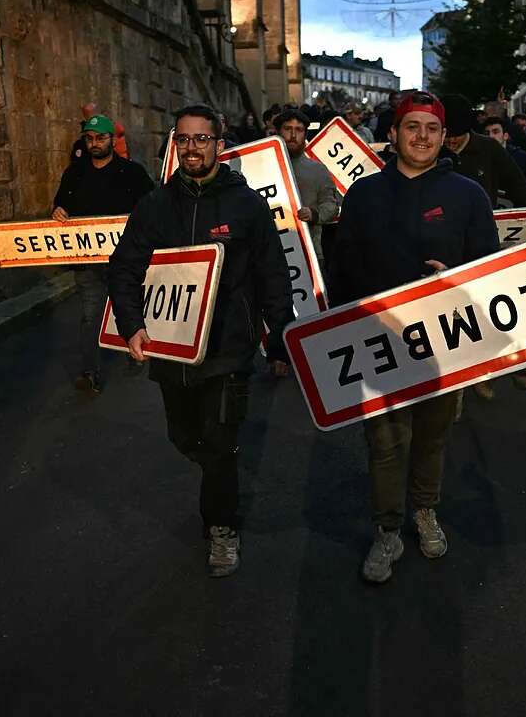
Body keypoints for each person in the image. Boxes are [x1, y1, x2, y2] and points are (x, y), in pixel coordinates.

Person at [108, 103, 293, 578]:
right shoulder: (154, 204)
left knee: (220, 443)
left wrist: (279, 340)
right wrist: (132, 325)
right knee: (185, 436)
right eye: (184, 139)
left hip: (229, 349)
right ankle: (213, 474)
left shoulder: (246, 204)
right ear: (176, 144)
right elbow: (125, 267)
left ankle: (222, 529)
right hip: (172, 350)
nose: (192, 148)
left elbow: (273, 273)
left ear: (220, 144)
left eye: (202, 139)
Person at [328, 91, 499, 584]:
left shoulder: (468, 195)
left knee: (431, 437)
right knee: (384, 443)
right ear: (394, 135)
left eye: (431, 128)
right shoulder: (363, 194)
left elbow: (491, 268)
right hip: (375, 340)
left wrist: (457, 278)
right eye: (412, 127)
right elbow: (342, 268)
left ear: (444, 137)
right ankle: (387, 530)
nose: (421, 136)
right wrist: (339, 328)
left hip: (446, 343)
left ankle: (424, 511)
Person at [441, 95, 526, 400]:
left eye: (457, 134)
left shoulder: (488, 148)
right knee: (452, 317)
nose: (452, 140)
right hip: (446, 245)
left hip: (484, 242)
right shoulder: (435, 150)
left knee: (486, 308)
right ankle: (456, 389)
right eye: (448, 134)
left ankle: (485, 371)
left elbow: (518, 184)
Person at [52, 113, 154, 393]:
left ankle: (134, 352)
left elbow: (151, 206)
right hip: (88, 261)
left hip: (126, 261)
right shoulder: (74, 173)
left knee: (128, 307)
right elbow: (61, 204)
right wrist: (58, 211)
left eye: (100, 138)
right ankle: (90, 372)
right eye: (90, 138)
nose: (94, 143)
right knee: (90, 314)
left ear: (112, 139)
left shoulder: (132, 172)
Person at [274, 108, 340, 264]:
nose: (293, 135)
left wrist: (314, 214)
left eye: (299, 130)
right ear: (277, 132)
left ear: (305, 134)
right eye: (288, 129)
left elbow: (332, 205)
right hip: (270, 256)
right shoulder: (261, 167)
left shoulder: (318, 170)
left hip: (310, 254)